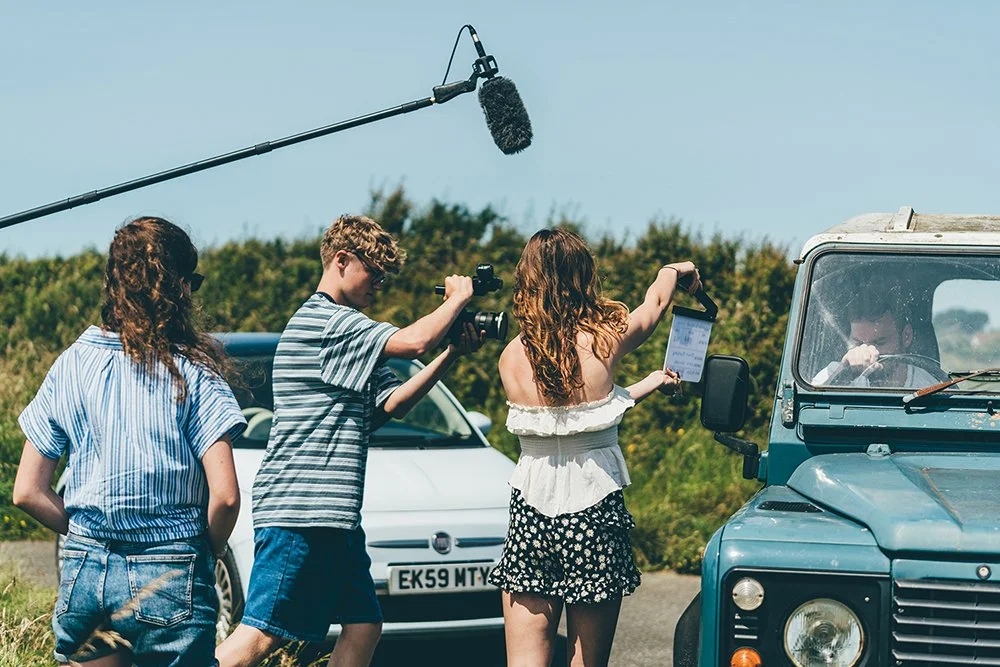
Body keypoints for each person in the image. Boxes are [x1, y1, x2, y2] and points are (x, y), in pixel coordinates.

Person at [216, 215, 485, 667]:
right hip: (301, 510)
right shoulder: (328, 323)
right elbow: (415, 342)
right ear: (342, 260)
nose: (378, 283)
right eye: (373, 272)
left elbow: (392, 402)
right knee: (260, 635)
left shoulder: (348, 332)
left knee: (364, 624)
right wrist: (457, 299)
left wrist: (453, 353)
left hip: (335, 516)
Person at [13, 216, 246, 667]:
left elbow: (27, 491)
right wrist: (202, 553)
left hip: (85, 570)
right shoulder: (193, 373)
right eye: (192, 282)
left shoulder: (72, 365)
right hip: (173, 570)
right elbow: (227, 497)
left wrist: (84, 534)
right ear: (178, 288)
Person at [487, 228, 701, 667]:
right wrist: (673, 270)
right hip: (593, 511)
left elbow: (567, 422)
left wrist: (644, 385)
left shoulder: (510, 356)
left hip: (531, 513)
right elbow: (655, 304)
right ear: (581, 276)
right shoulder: (604, 338)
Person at [811, 291, 940, 388]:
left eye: (879, 343)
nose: (868, 352)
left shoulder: (928, 387)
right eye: (858, 343)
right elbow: (812, 413)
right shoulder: (831, 376)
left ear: (906, 336)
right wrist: (844, 376)